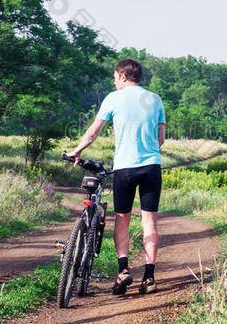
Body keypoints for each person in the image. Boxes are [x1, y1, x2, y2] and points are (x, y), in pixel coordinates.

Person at [67, 58, 166, 295]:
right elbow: (161, 138)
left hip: (125, 168)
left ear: (122, 76)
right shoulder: (155, 99)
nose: (114, 80)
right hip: (152, 167)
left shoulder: (113, 98)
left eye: (114, 76)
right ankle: (149, 277)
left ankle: (123, 271)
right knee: (149, 221)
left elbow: (93, 131)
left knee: (122, 219)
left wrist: (77, 151)